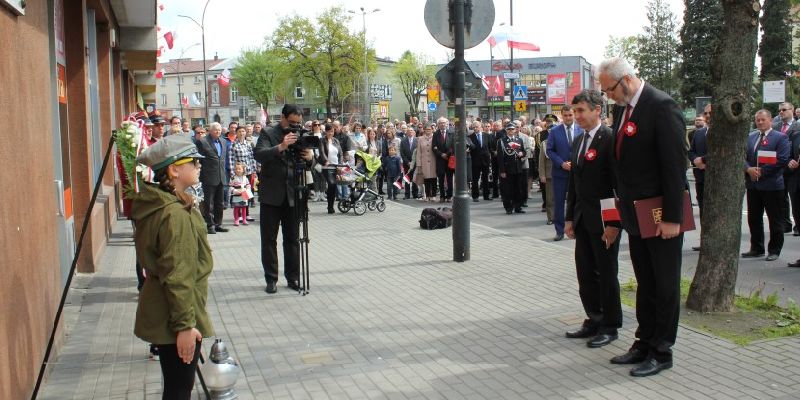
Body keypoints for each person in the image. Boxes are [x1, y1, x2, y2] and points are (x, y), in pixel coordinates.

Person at [599, 57, 688, 377]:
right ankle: (644, 341)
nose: (606, 95)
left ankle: (662, 350)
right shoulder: (623, 109)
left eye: (608, 89)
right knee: (645, 281)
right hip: (635, 214)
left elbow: (675, 167)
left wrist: (673, 218)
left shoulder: (661, 106)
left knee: (664, 283)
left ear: (625, 80)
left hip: (660, 213)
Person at [132, 134, 213, 400]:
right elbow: (178, 275)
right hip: (176, 315)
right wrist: (185, 326)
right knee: (179, 391)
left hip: (170, 309)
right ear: (174, 169)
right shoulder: (174, 214)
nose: (199, 166)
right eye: (193, 161)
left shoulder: (166, 205)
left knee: (177, 385)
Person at [563, 89, 623, 349]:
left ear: (597, 110)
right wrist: (568, 218)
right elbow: (574, 184)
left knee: (606, 274)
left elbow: (616, 185)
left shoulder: (609, 139)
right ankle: (594, 318)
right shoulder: (578, 141)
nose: (576, 116)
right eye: (574, 112)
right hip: (582, 219)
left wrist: (613, 224)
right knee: (585, 273)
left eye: (581, 111)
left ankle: (609, 324)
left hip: (603, 220)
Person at [254, 104, 316, 294]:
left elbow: (311, 164)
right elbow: (259, 154)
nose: (296, 127)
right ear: (283, 117)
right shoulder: (268, 132)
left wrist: (309, 157)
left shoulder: (302, 133)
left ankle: (293, 277)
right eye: (292, 123)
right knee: (269, 240)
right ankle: (271, 279)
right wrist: (281, 146)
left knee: (292, 240)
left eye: (298, 123)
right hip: (271, 195)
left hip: (294, 194)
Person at [742, 109, 791, 261]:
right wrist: (748, 169)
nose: (760, 122)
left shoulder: (780, 137)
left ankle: (774, 250)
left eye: (763, 119)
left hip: (772, 186)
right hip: (753, 185)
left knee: (775, 219)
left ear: (770, 120)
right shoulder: (750, 137)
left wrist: (761, 172)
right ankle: (757, 248)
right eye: (758, 120)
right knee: (754, 218)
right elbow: (742, 156)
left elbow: (782, 159)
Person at [546, 105, 584, 241]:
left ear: (573, 115)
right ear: (561, 116)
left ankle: (576, 228)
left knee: (577, 200)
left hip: (577, 172)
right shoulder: (555, 131)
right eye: (565, 115)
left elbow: (585, 148)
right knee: (559, 202)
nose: (568, 118)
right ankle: (560, 231)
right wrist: (562, 163)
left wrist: (576, 162)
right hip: (560, 172)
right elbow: (549, 150)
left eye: (570, 115)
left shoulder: (581, 129)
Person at [195, 122, 229, 235]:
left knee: (220, 202)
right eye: (216, 130)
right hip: (208, 176)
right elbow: (198, 159)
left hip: (221, 176)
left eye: (219, 130)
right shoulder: (202, 141)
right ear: (210, 130)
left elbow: (224, 159)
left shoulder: (224, 141)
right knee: (209, 203)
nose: (218, 132)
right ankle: (210, 225)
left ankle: (218, 224)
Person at [773, 102, 798, 234]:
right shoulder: (775, 127)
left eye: (784, 110)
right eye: (779, 111)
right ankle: (785, 224)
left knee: (795, 197)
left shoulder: (798, 125)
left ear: (792, 110)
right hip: (780, 167)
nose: (781, 112)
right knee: (781, 198)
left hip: (794, 168)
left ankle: (798, 225)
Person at [688, 104, 711, 251]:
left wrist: (703, 160)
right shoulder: (699, 133)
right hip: (701, 177)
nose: (708, 115)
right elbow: (691, 151)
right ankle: (705, 241)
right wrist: (696, 160)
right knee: (703, 209)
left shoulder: (723, 133)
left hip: (716, 178)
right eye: (706, 113)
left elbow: (722, 151)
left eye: (711, 113)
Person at [497, 123, 526, 214]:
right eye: (509, 129)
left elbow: (523, 151)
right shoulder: (502, 141)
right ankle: (508, 207)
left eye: (512, 129)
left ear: (515, 130)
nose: (511, 131)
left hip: (518, 168)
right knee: (507, 189)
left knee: (518, 189)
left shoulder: (519, 140)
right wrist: (502, 170)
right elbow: (500, 157)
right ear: (506, 130)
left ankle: (518, 206)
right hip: (507, 168)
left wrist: (522, 154)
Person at [228, 125, 257, 218]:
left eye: (243, 131)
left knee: (247, 193)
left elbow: (252, 158)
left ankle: (246, 214)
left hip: (247, 172)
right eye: (240, 131)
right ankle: (239, 215)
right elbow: (231, 159)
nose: (242, 133)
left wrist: (254, 170)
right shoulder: (233, 144)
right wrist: (233, 173)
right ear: (236, 133)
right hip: (238, 172)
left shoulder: (248, 144)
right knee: (239, 194)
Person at [319, 123, 344, 214]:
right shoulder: (322, 140)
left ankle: (331, 206)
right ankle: (330, 206)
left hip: (336, 166)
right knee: (332, 184)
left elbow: (340, 154)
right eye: (328, 132)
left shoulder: (336, 141)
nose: (330, 133)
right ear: (325, 132)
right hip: (327, 167)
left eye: (332, 131)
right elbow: (321, 152)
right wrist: (326, 161)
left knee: (333, 187)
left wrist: (340, 165)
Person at [432, 117, 454, 202]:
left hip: (449, 159)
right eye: (440, 123)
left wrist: (447, 154)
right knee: (440, 178)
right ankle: (442, 196)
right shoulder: (436, 134)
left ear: (447, 123)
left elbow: (453, 146)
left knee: (449, 178)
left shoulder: (451, 133)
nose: (442, 124)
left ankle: (449, 196)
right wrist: (441, 154)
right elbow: (434, 147)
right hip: (440, 159)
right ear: (438, 125)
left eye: (444, 123)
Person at [469, 121, 492, 202]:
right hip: (475, 160)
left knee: (485, 178)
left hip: (485, 160)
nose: (475, 128)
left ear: (480, 127)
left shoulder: (487, 136)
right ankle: (475, 196)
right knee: (475, 179)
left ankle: (486, 195)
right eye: (474, 127)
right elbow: (469, 148)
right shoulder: (470, 137)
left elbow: (490, 147)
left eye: (477, 126)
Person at [415, 124, 438, 202]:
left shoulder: (435, 137)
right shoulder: (420, 139)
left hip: (434, 161)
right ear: (424, 130)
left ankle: (434, 195)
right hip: (424, 161)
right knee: (426, 179)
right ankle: (428, 195)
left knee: (434, 179)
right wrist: (419, 164)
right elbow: (418, 152)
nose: (428, 131)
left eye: (429, 129)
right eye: (426, 129)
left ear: (432, 130)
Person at [400, 127, 419, 199]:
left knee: (415, 178)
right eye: (408, 131)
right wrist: (407, 162)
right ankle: (407, 194)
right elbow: (402, 153)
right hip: (406, 163)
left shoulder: (417, 140)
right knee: (407, 178)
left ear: (414, 132)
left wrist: (414, 162)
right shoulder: (403, 140)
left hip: (415, 163)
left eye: (411, 130)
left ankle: (415, 194)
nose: (410, 132)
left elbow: (419, 151)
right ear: (406, 132)